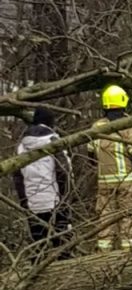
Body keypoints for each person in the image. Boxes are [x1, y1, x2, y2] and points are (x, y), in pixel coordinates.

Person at [89, 85, 132, 251]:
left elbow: (91, 157)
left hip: (104, 184)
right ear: (124, 102)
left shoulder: (96, 128)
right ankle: (128, 256)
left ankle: (103, 256)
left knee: (105, 221)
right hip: (128, 183)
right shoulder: (129, 126)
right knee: (129, 221)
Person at [13, 106, 72, 255]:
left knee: (39, 246)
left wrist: (24, 202)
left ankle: (39, 274)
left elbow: (17, 177)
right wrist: (66, 198)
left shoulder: (21, 146)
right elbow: (63, 172)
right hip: (55, 201)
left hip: (32, 203)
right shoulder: (54, 142)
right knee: (63, 245)